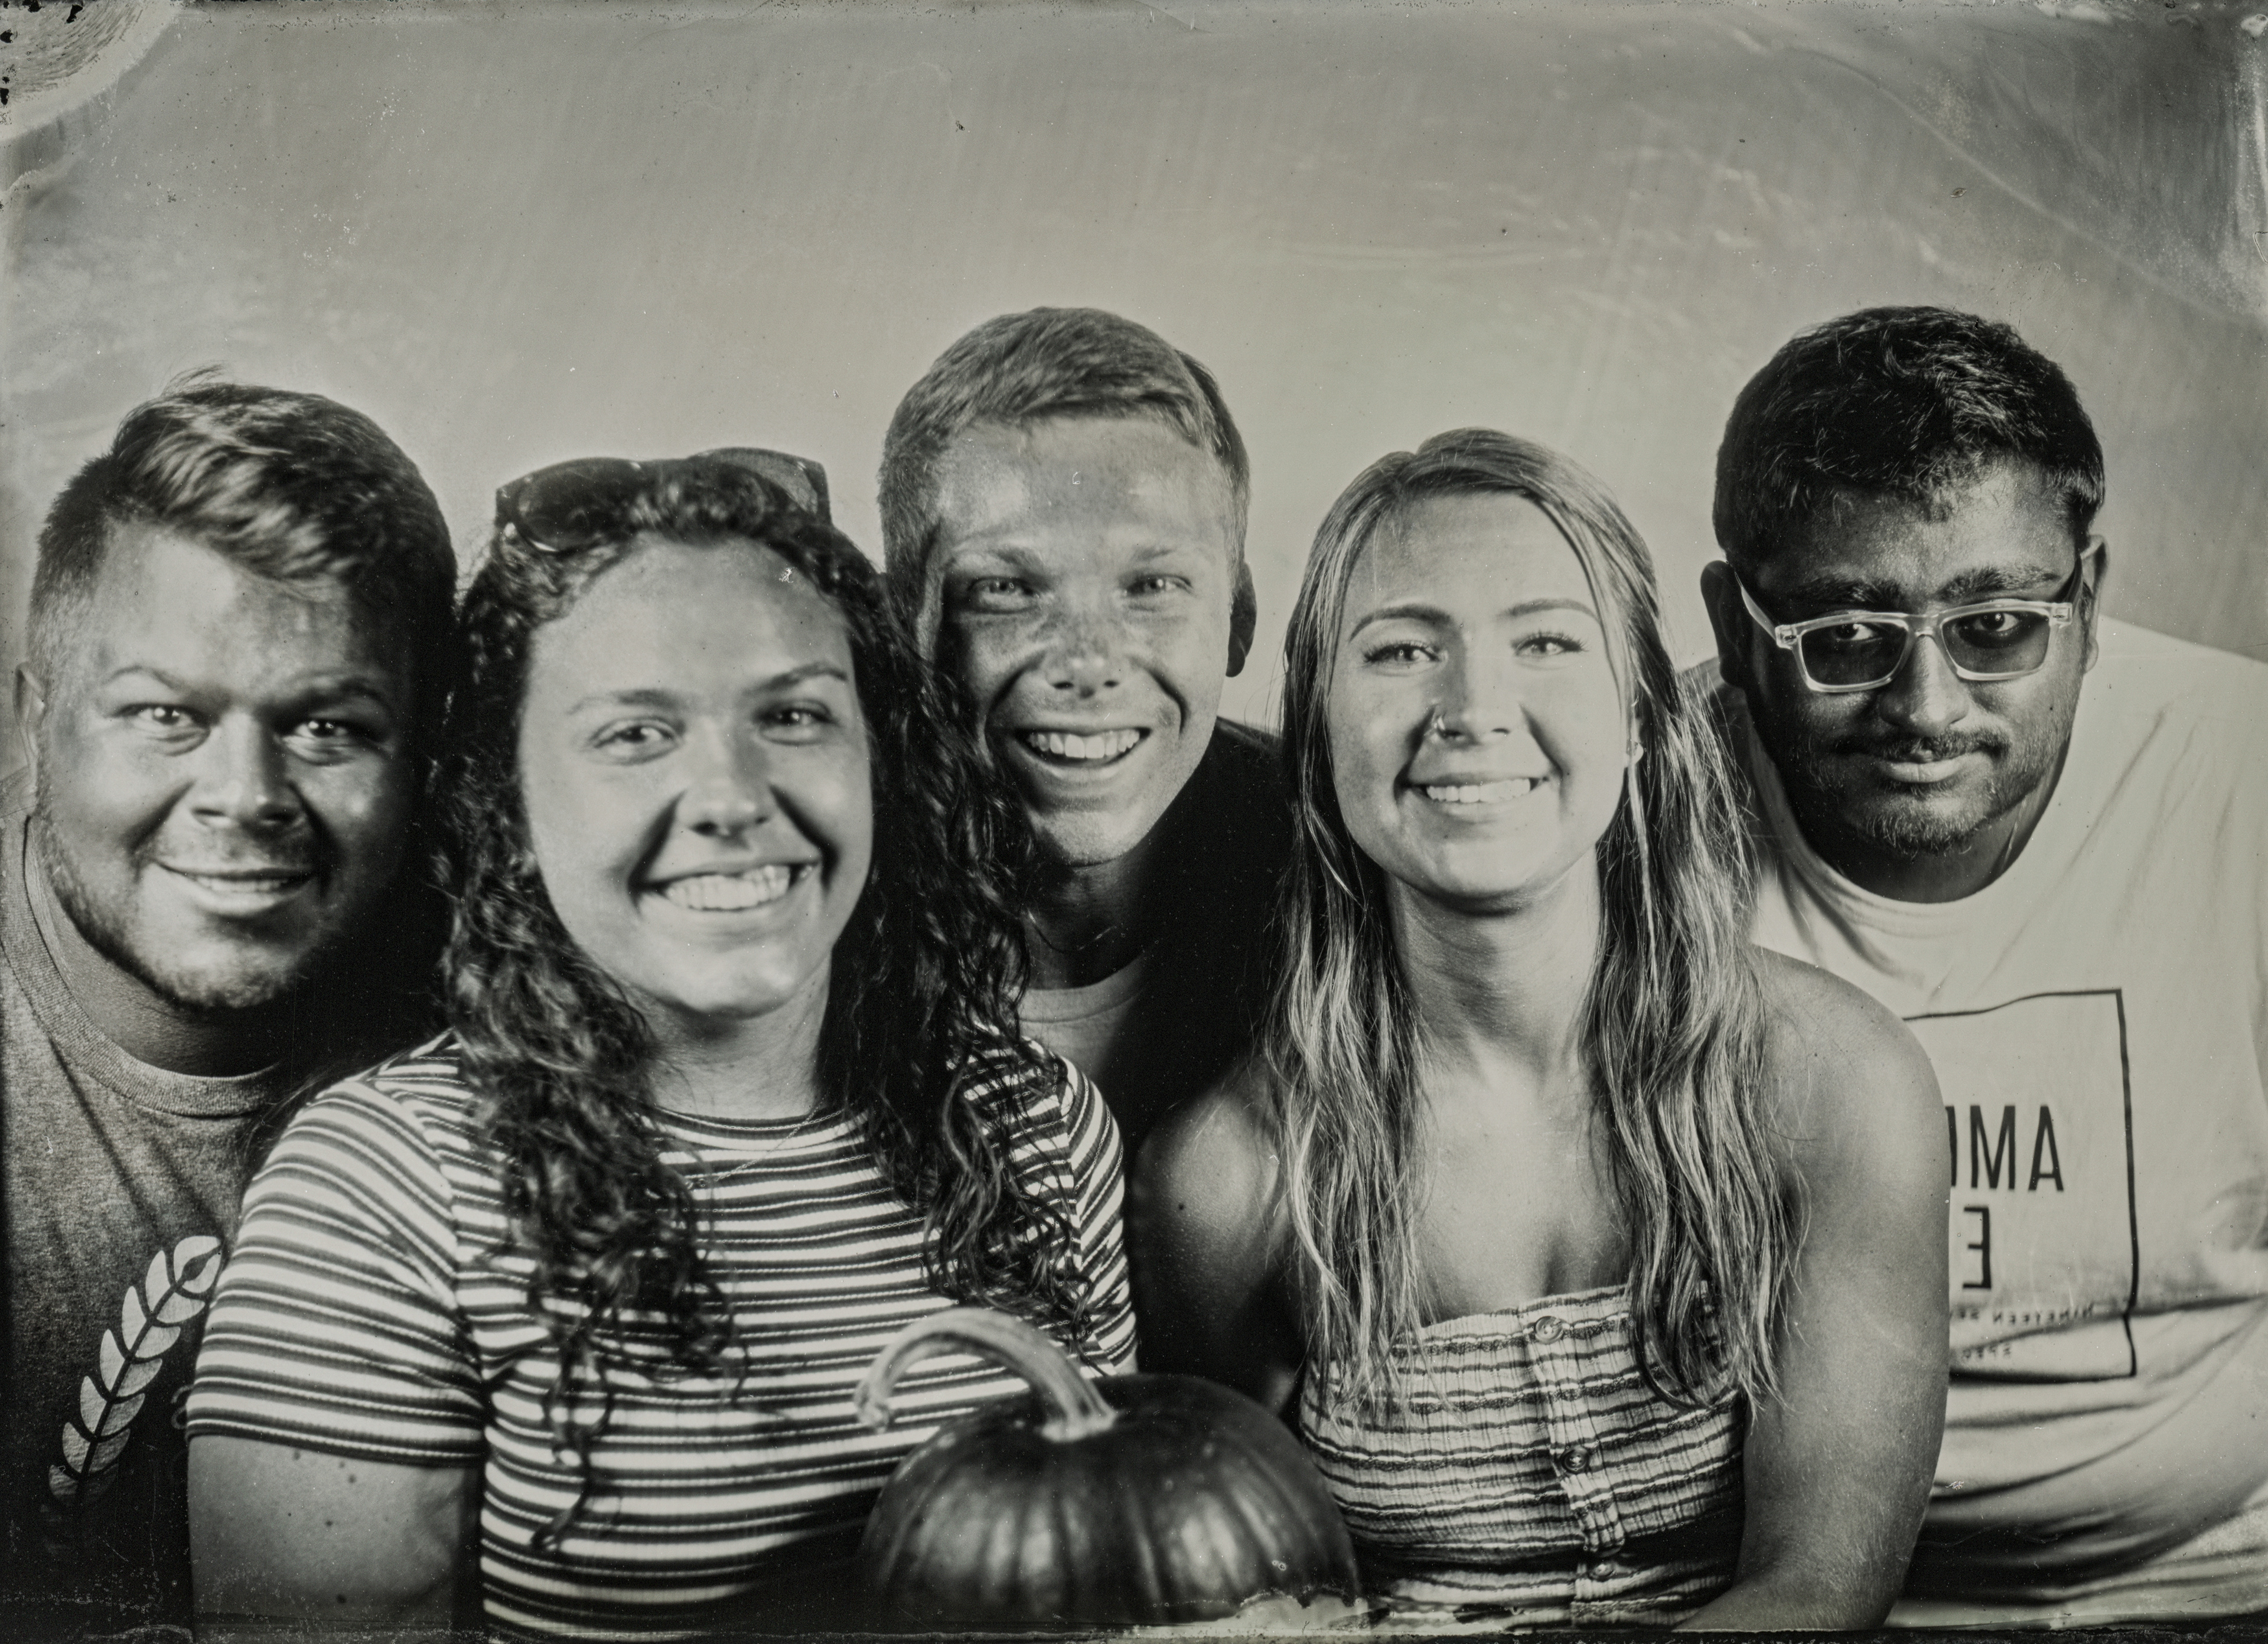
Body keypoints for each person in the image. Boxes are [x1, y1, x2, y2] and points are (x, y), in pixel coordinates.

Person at [184, 452, 1136, 1637]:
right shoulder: (384, 1189)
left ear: (879, 762)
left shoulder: (1039, 1129)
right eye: (635, 733)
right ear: (508, 806)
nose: (731, 796)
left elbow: (1125, 1566)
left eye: (793, 715)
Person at [1135, 429, 1948, 1629]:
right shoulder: (1228, 1179)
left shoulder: (1835, 1085)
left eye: (1548, 642)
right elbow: (1243, 1605)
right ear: (1319, 735)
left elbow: (1821, 1589)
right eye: (1403, 650)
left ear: (1638, 718)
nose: (1473, 709)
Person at [1699, 305, 2268, 1625]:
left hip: (2221, 1581)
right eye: (1846, 637)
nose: (1928, 709)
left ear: (2090, 599)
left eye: (1998, 625)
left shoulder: (2243, 784)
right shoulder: (1618, 815)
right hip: (1753, 1600)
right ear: (1734, 626)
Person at [1, 377, 454, 1633]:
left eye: (327, 726)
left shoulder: (505, 1003)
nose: (245, 794)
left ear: (424, 754)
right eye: (165, 715)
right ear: (36, 721)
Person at [879, 308, 1292, 1151]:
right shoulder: (820, 890)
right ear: (901, 622)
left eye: (1152, 587)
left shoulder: (1334, 872)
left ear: (1240, 618)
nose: (1089, 665)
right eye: (1006, 590)